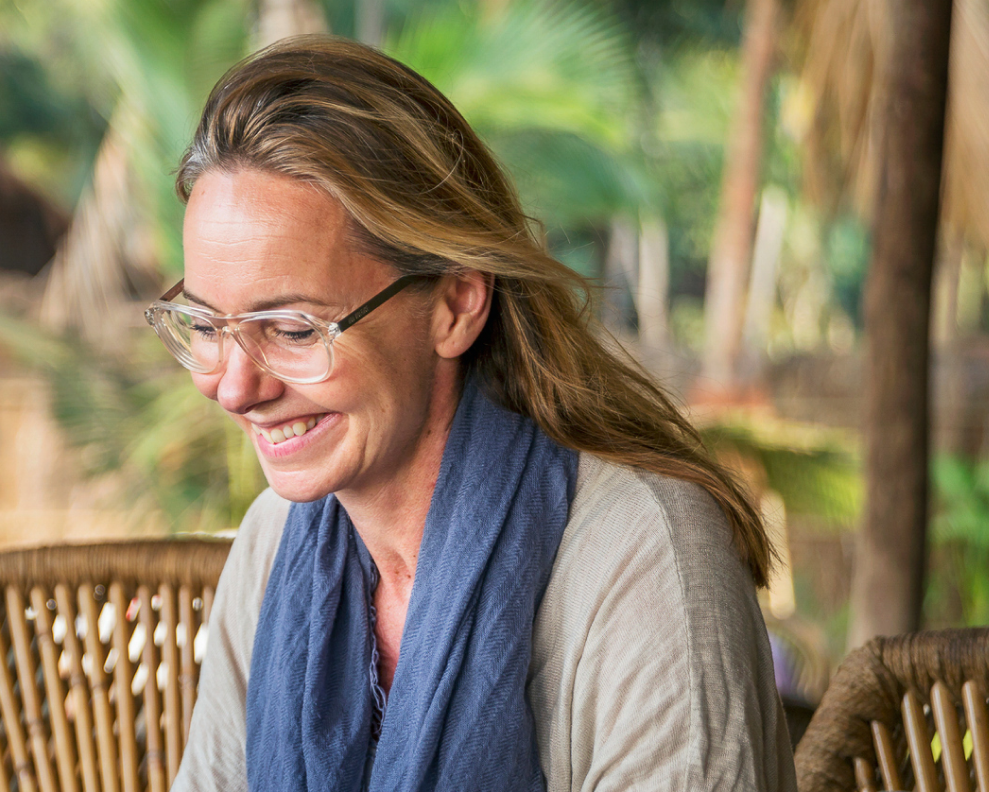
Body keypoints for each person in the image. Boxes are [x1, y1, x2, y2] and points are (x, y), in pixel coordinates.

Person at [154, 36, 795, 792]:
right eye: (204, 324)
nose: (232, 388)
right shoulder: (271, 549)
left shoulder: (641, 560)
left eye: (294, 330)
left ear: (457, 304)